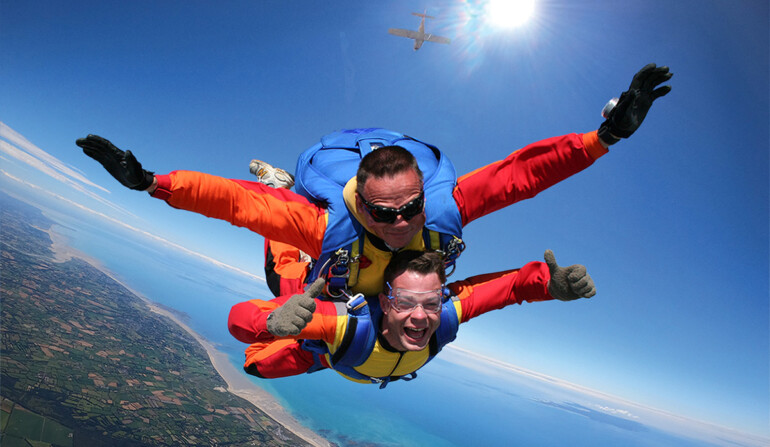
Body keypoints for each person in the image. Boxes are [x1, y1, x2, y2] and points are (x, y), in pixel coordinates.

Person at [76, 64, 671, 297]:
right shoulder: (326, 220)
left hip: (370, 170)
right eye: (381, 214)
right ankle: (287, 181)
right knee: (292, 281)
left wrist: (604, 138)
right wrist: (154, 182)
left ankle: (292, 193)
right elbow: (236, 203)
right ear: (360, 203)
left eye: (406, 211)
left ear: (420, 198)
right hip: (321, 194)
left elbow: (521, 177)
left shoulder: (441, 208)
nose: (397, 224)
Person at [227, 249, 596, 386]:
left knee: (259, 365)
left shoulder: (446, 315)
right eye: (405, 301)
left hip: (343, 357)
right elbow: (240, 318)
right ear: (385, 302)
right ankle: (278, 191)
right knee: (284, 280)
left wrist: (550, 284)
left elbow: (510, 288)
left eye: (431, 302)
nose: (420, 317)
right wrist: (270, 323)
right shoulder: (341, 322)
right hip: (323, 349)